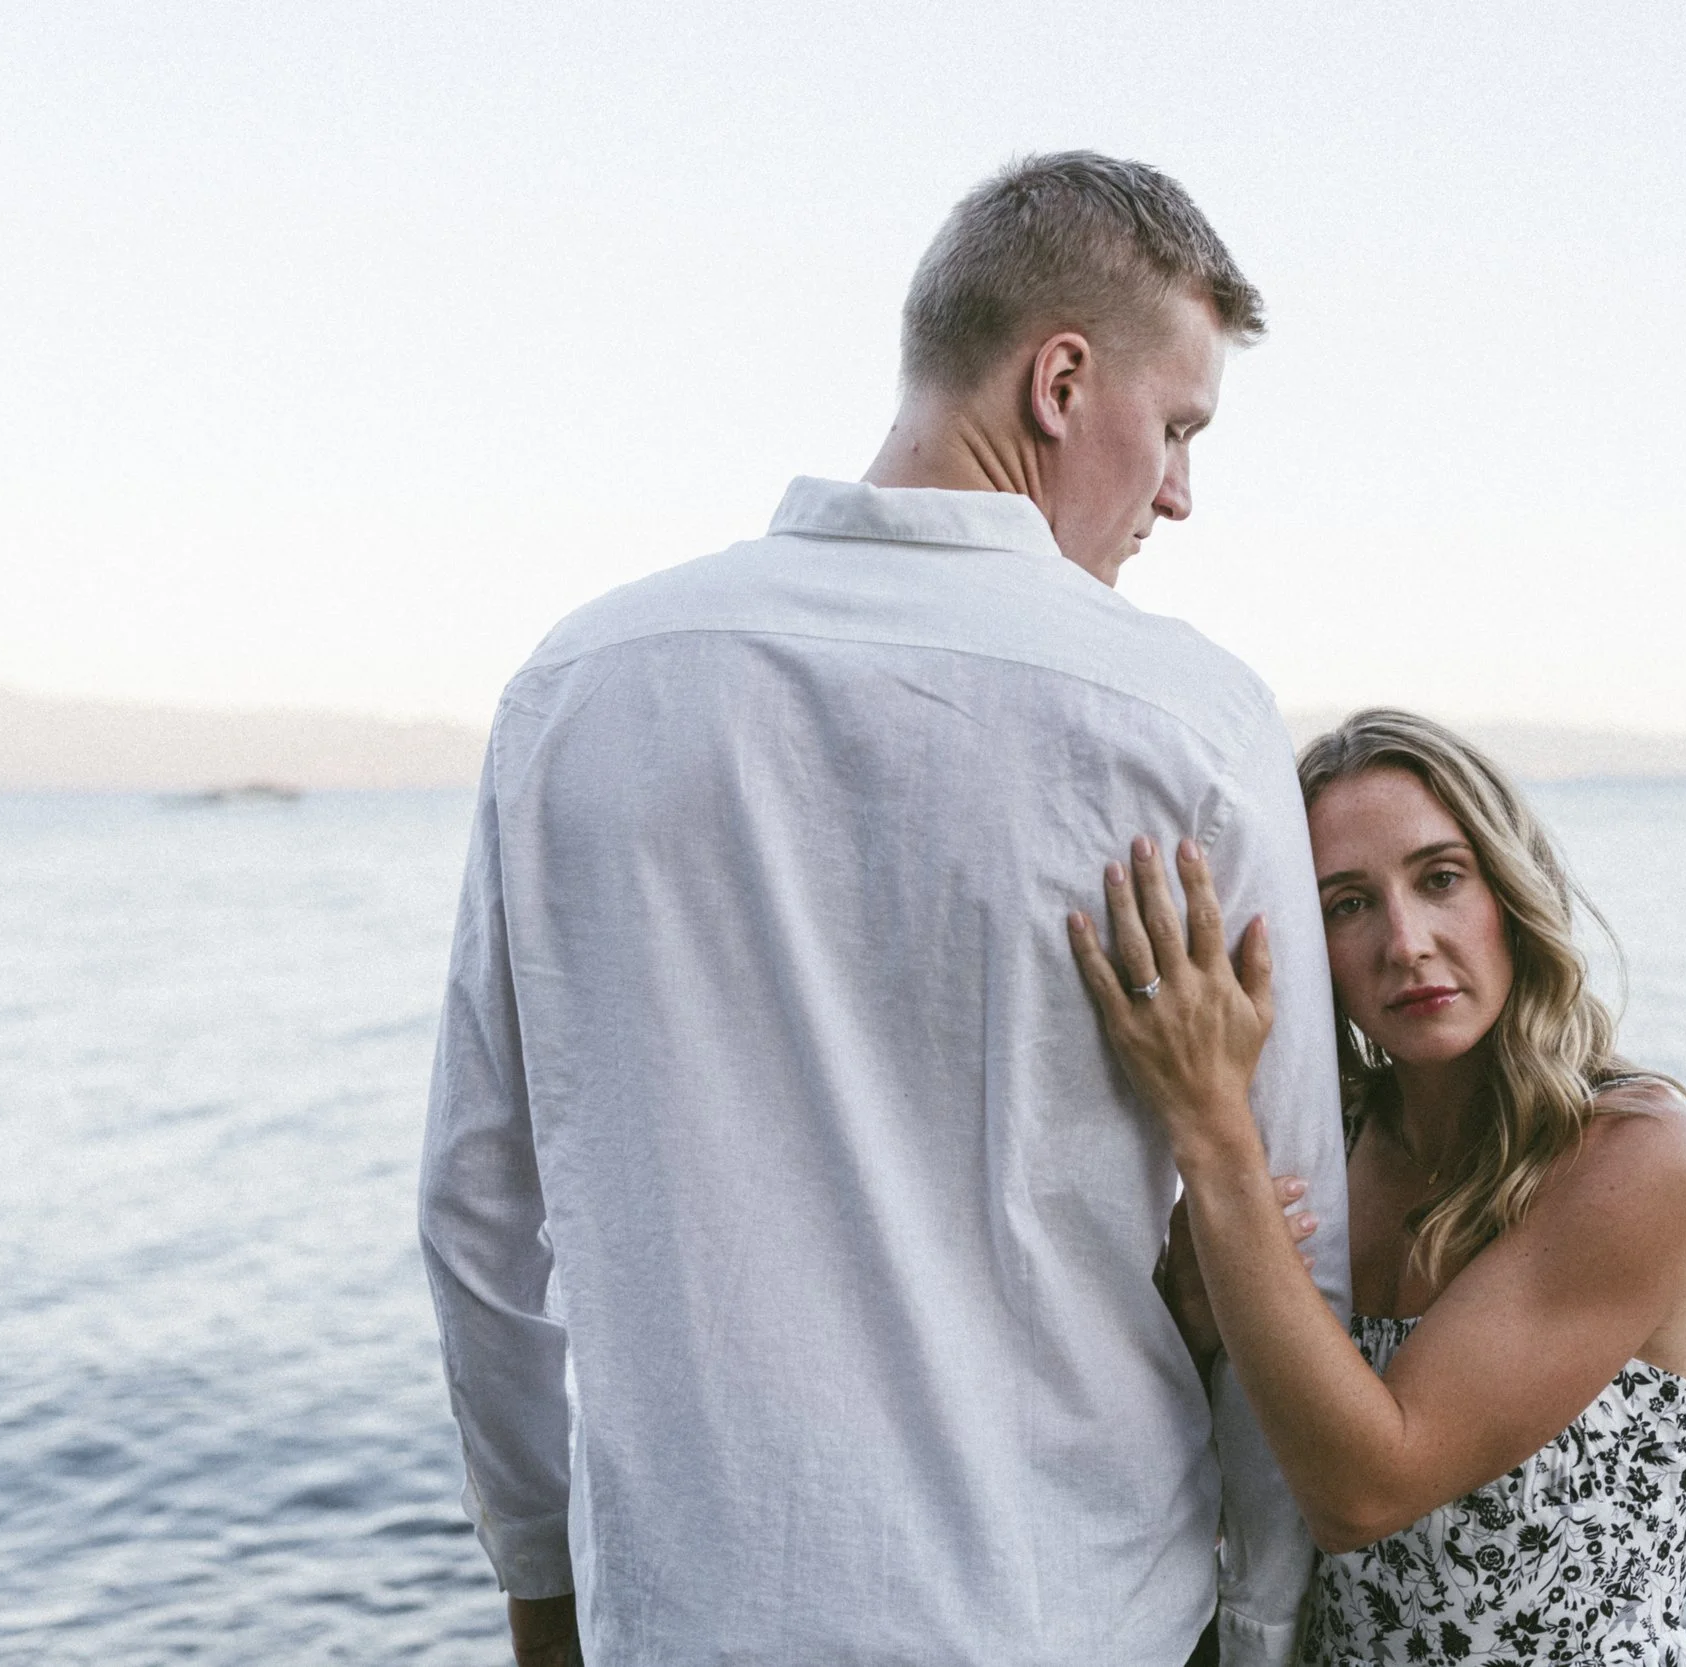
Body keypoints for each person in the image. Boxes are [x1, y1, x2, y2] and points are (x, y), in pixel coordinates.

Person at [418, 152, 1351, 1667]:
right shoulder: (1186, 718)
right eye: (1176, 426)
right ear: (1060, 379)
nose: (1181, 490)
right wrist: (1258, 1626)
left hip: (686, 1617)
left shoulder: (576, 687)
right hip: (1079, 1614)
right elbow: (1291, 1214)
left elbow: (475, 1205)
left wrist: (543, 1589)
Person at [1068, 709, 1686, 1666]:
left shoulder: (1635, 1154)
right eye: (1346, 903)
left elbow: (1363, 1491)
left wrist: (1210, 1130)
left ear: (1509, 889)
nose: (1406, 940)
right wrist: (1186, 1319)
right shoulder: (1323, 1145)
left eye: (1440, 879)